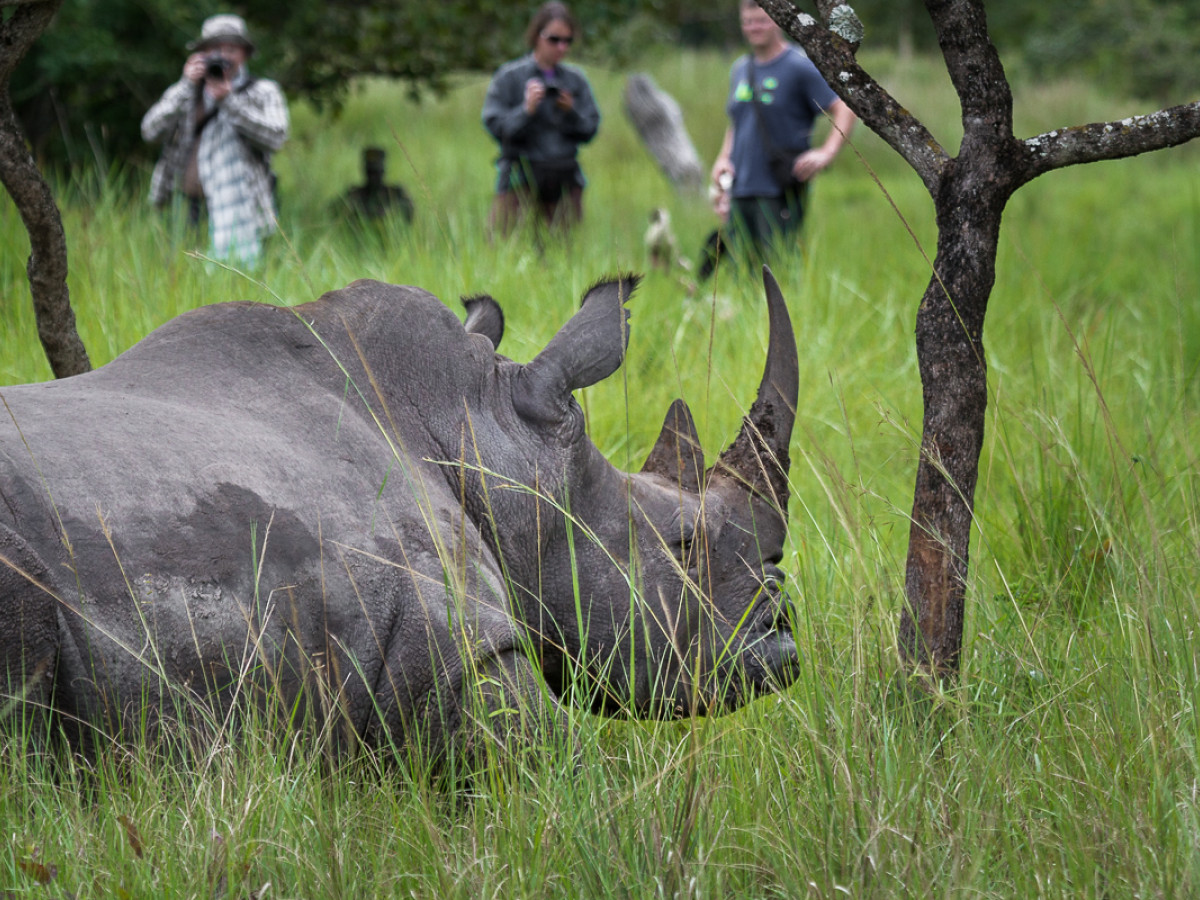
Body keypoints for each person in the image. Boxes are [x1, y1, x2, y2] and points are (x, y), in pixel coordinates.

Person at [704, 0, 856, 276]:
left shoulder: (799, 65)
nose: (754, 27)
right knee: (741, 273)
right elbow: (737, 121)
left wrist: (826, 153)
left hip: (779, 190)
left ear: (777, 20)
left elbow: (843, 106)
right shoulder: (741, 68)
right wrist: (723, 159)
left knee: (778, 271)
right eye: (748, 21)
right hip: (740, 188)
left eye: (761, 20)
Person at [141, 14, 289, 266]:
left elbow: (277, 138)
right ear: (201, 54)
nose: (222, 56)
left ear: (244, 53)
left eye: (230, 49)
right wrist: (186, 85)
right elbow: (150, 131)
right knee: (183, 275)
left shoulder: (263, 91)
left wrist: (229, 102)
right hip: (185, 206)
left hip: (241, 208)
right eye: (214, 49)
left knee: (237, 278)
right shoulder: (188, 91)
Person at [482, 2, 600, 237]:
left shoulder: (575, 80)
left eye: (567, 41)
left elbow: (590, 128)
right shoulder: (509, 77)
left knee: (561, 251)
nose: (561, 47)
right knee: (504, 245)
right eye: (554, 39)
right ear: (537, 35)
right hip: (519, 176)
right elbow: (495, 126)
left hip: (564, 179)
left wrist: (571, 111)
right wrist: (526, 110)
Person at [341, 147, 415, 224]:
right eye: (370, 173)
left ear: (383, 171)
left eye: (376, 173)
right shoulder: (355, 194)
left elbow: (409, 211)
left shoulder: (395, 193)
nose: (373, 178)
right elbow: (336, 211)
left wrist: (388, 212)